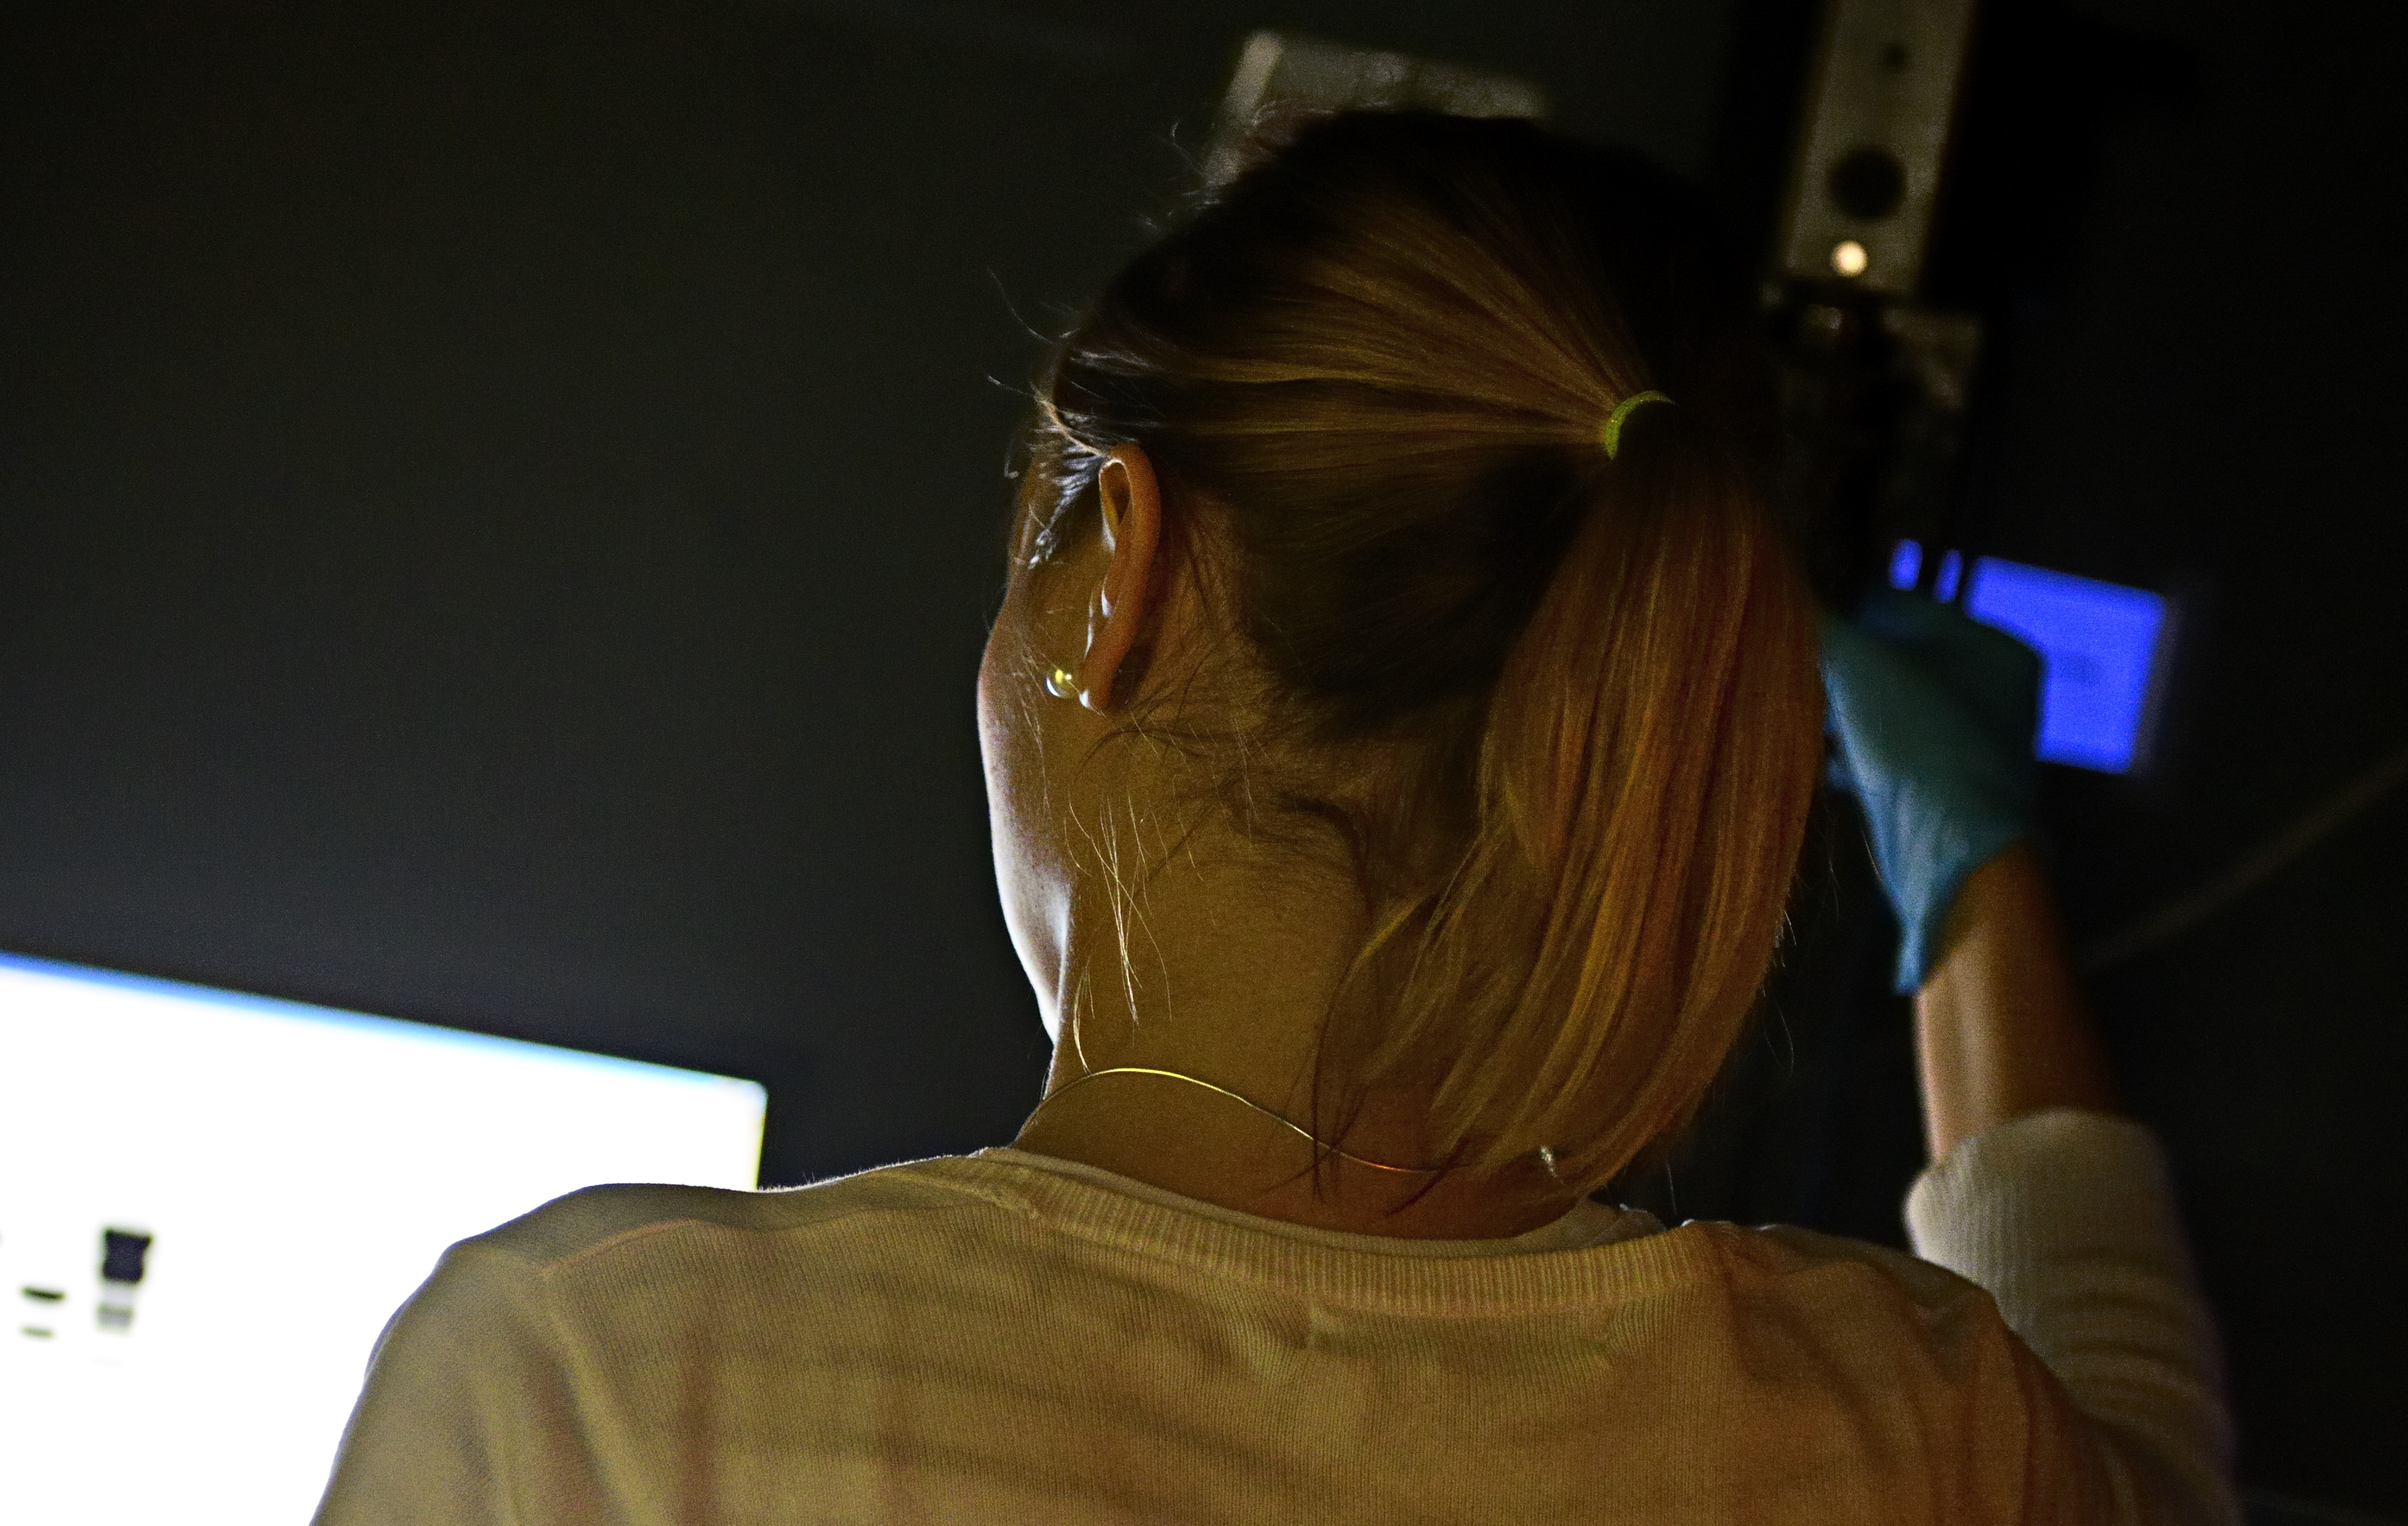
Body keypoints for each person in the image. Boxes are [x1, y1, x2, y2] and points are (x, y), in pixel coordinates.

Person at [311, 112, 2234, 1523]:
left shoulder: (608, 1381)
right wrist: (1979, 877)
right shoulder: (1919, 1433)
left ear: (1118, 570)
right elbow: (2145, 1441)